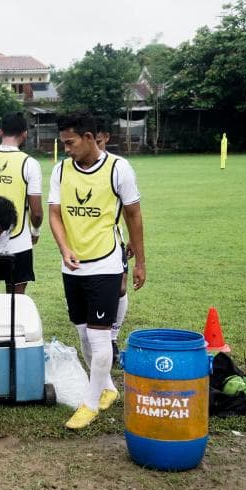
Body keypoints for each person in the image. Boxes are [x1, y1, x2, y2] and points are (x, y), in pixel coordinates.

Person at [48, 111, 146, 430]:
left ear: (89, 138)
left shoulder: (119, 168)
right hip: (72, 266)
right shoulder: (61, 171)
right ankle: (108, 389)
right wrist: (65, 249)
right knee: (83, 333)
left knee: (99, 335)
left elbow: (133, 215)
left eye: (70, 142)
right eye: (63, 143)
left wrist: (140, 261)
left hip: (106, 262)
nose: (66, 148)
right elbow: (55, 215)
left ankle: (90, 404)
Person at [0, 112, 43, 295]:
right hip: (19, 242)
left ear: (0, 132)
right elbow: (36, 212)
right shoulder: (29, 163)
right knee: (15, 300)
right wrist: (35, 231)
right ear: (25, 134)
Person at [95, 117, 129, 360]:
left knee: (120, 288)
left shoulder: (118, 166)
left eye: (99, 141)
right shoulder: (72, 168)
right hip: (84, 245)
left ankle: (113, 338)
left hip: (114, 240)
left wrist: (134, 244)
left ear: (106, 137)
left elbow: (130, 208)